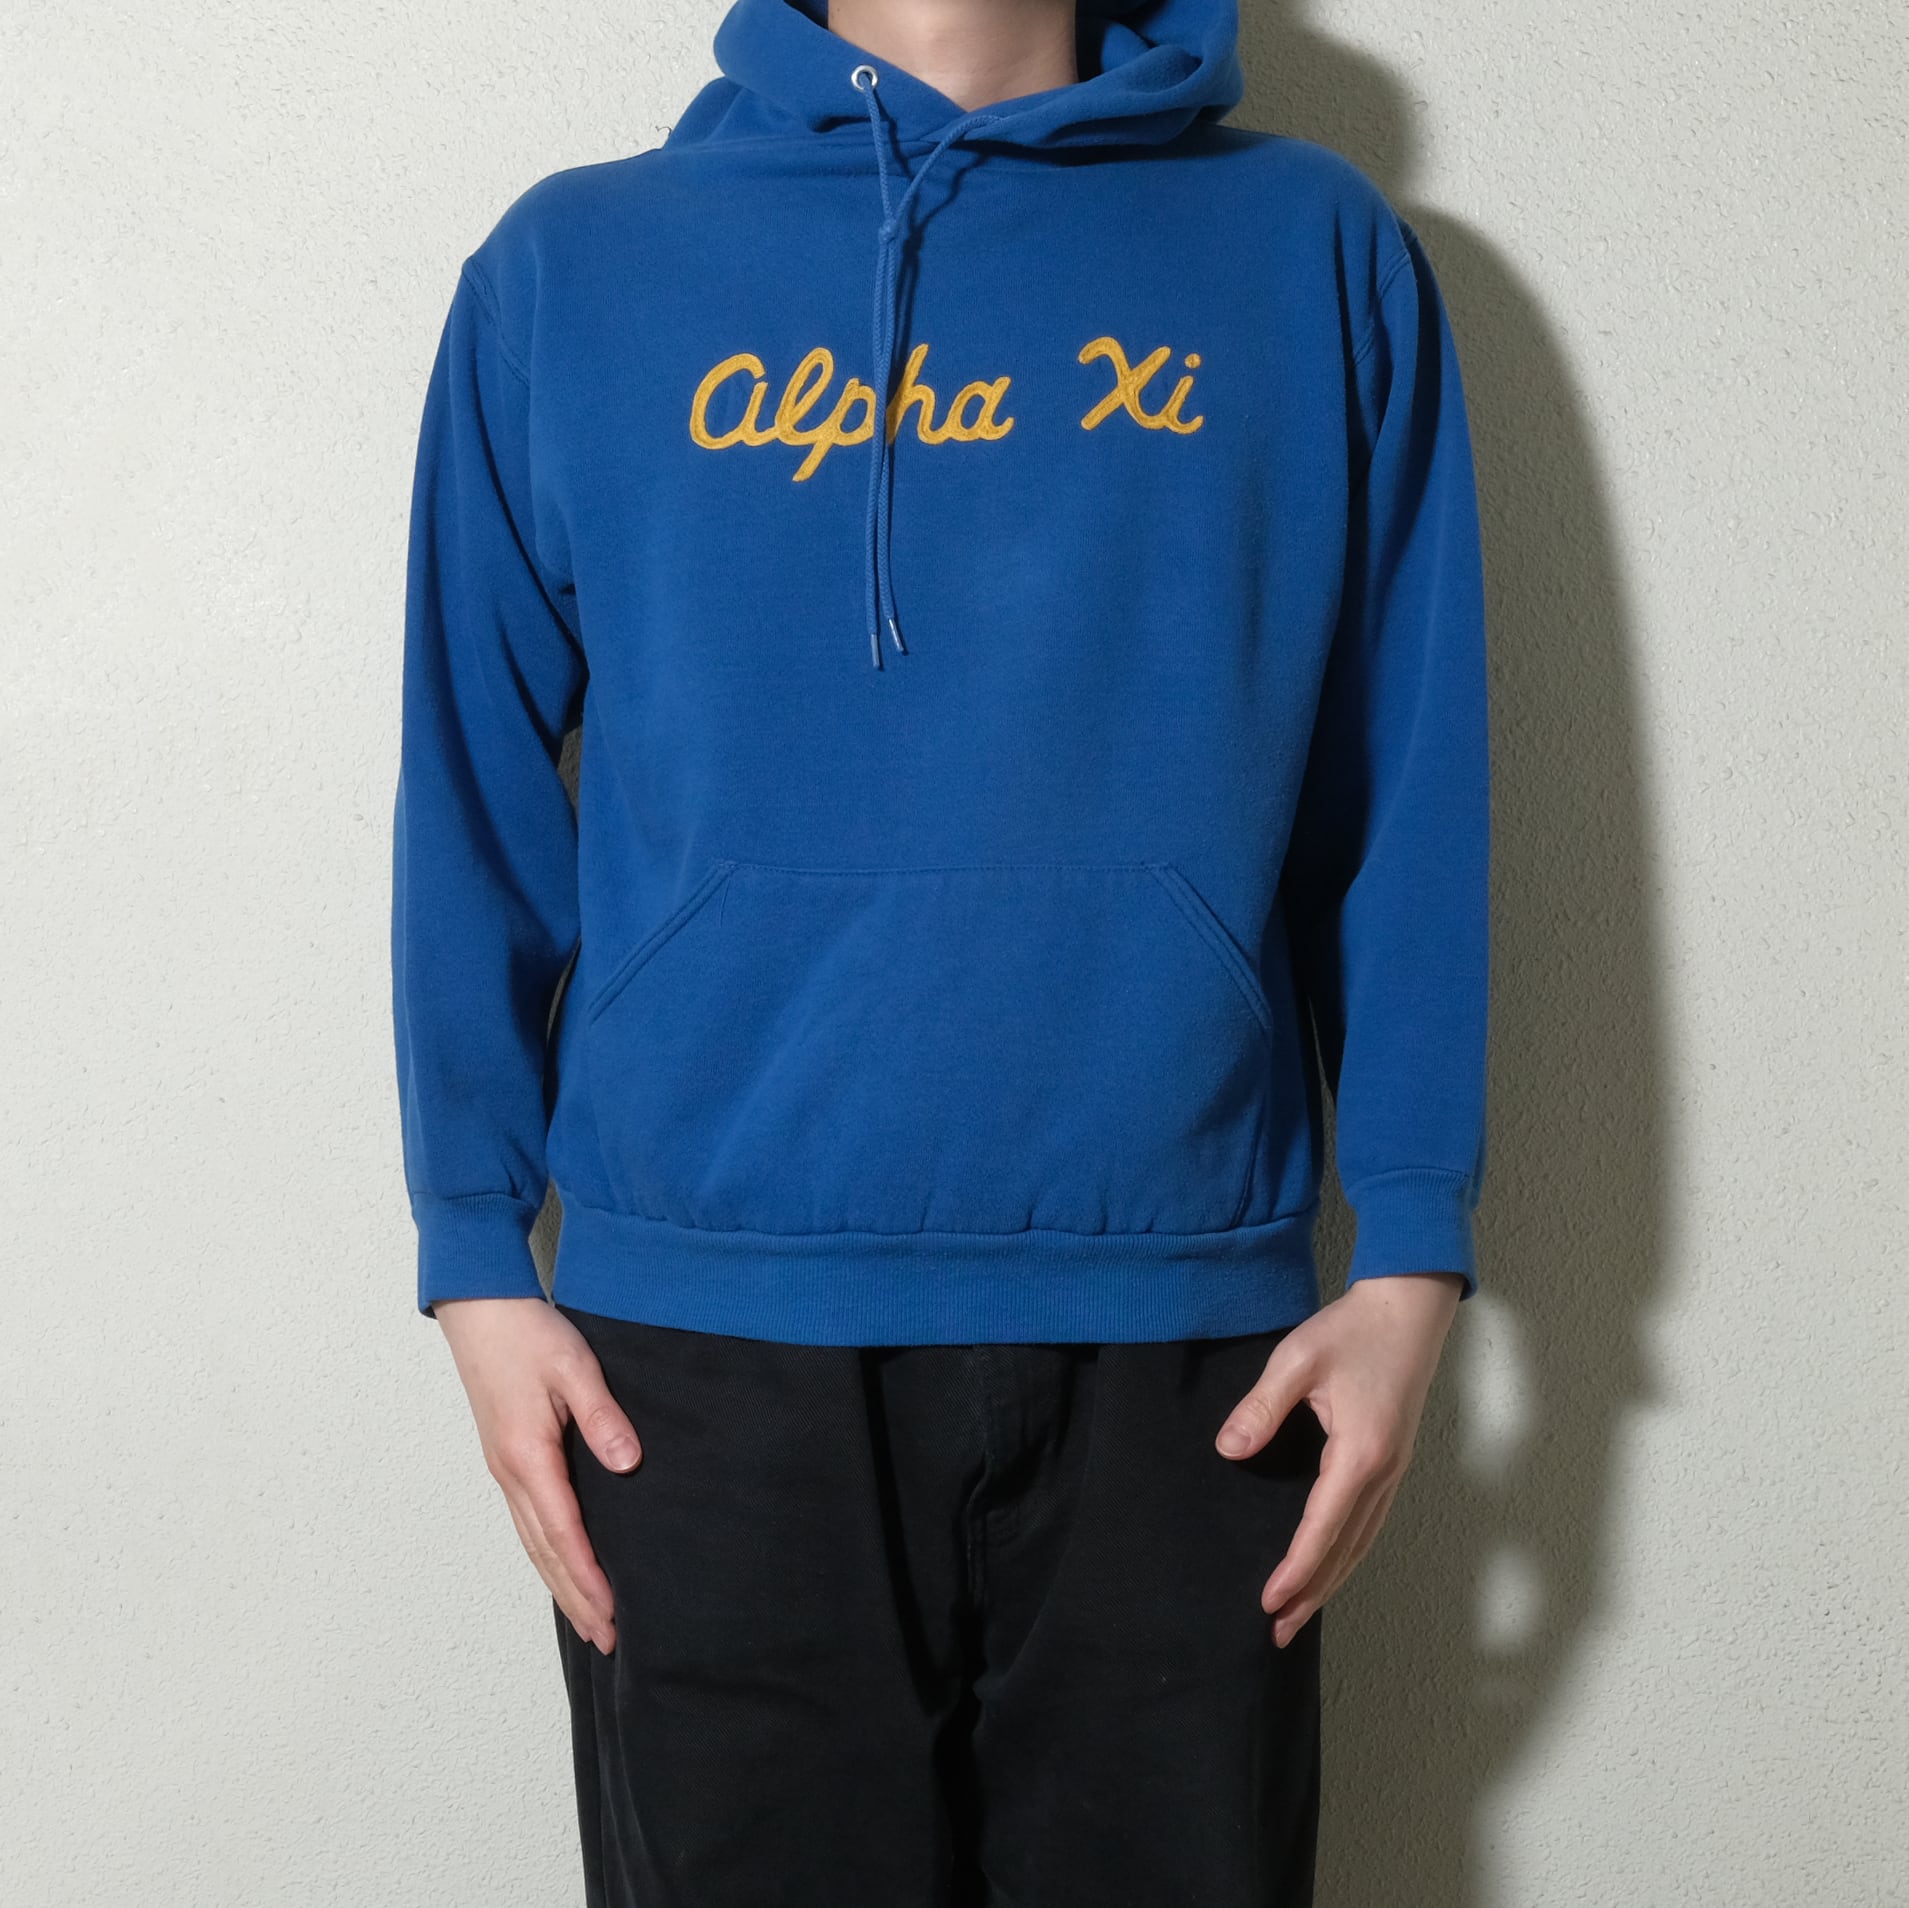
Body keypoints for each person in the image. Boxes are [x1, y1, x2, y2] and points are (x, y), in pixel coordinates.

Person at [391, 0, 1491, 1900]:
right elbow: (469, 785)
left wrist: (1412, 1248)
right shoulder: (574, 269)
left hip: (1187, 1335)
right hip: (703, 1359)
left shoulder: (1309, 250)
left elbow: (1405, 776)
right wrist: (474, 1256)